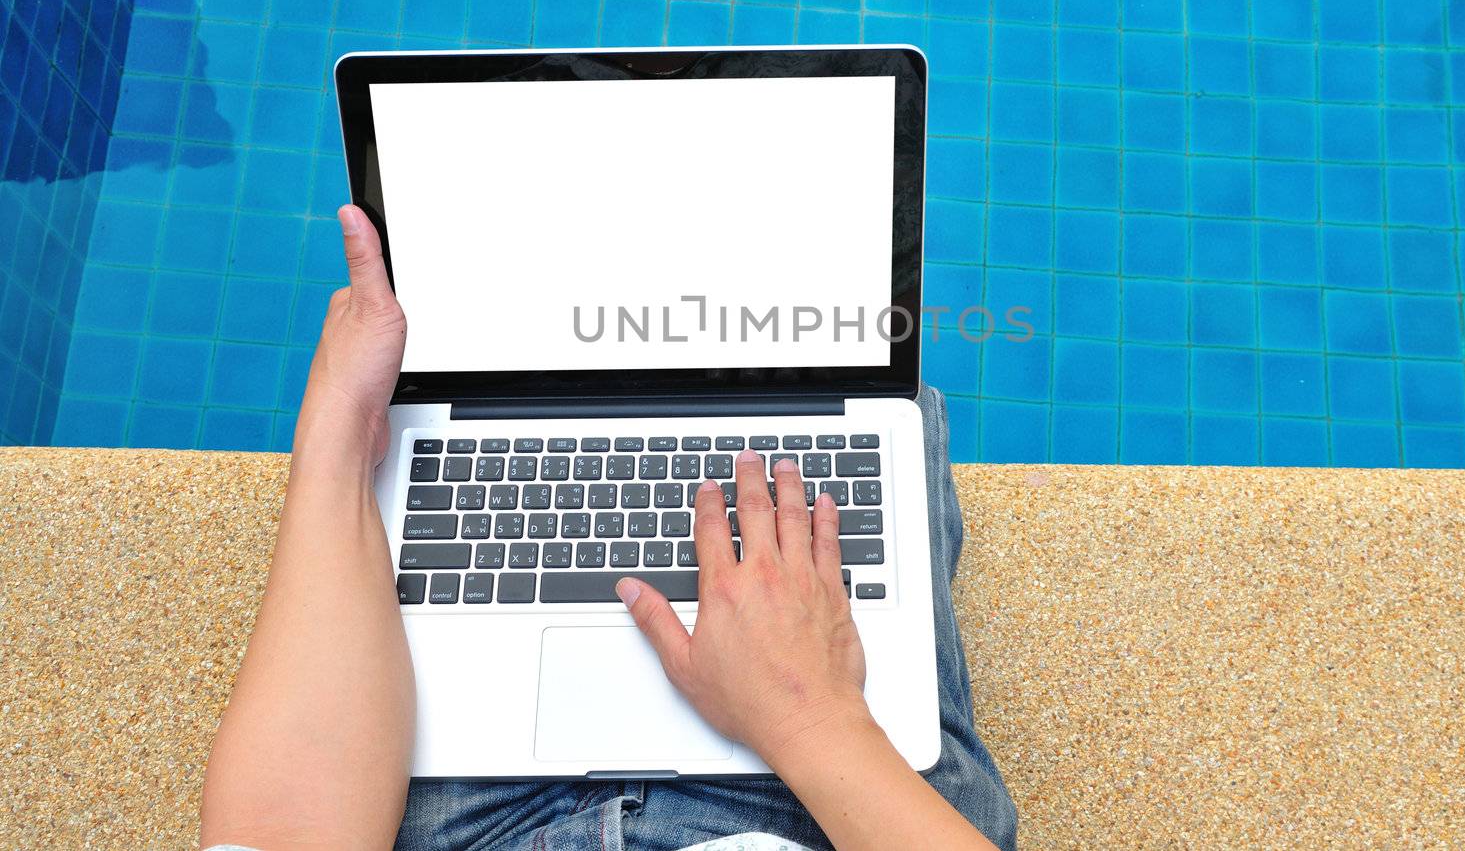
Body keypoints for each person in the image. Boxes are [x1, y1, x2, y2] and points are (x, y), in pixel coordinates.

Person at [198, 206, 1018, 851]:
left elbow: (284, 837)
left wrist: (338, 441)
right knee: (887, 406)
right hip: (824, 798)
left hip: (471, 827)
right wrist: (809, 713)